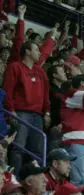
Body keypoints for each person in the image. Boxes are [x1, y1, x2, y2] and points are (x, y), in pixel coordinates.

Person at [3, 41, 51, 175]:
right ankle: (14, 180)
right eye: (36, 49)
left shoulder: (40, 71)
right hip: (20, 113)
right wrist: (11, 111)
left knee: (37, 151)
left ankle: (33, 181)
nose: (39, 52)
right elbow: (8, 90)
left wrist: (47, 112)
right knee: (19, 147)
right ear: (27, 51)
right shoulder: (15, 67)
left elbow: (46, 93)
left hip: (38, 115)